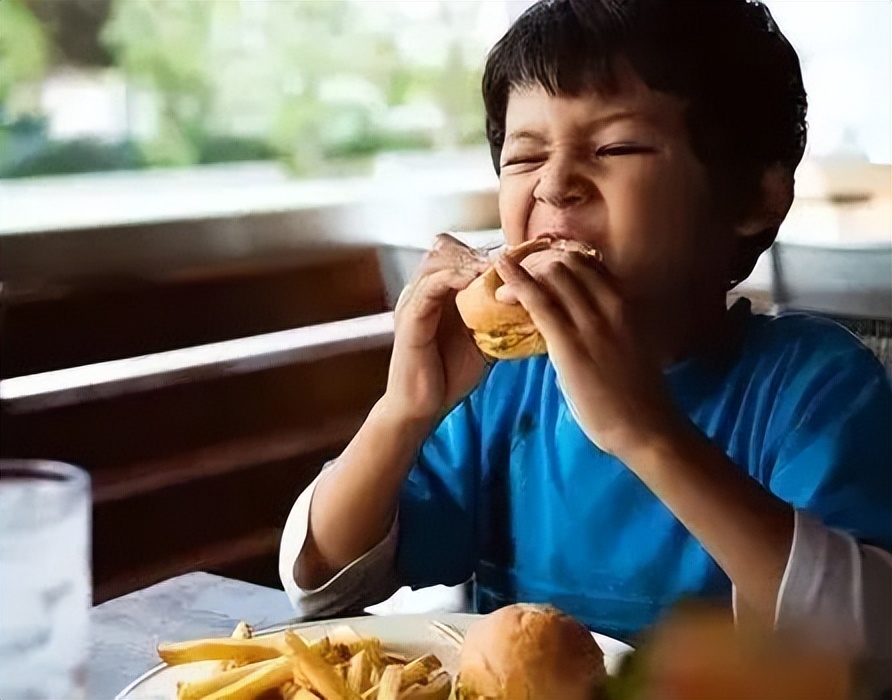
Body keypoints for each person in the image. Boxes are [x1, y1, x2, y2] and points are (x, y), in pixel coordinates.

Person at [279, 0, 892, 655]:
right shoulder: (503, 386)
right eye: (523, 158)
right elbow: (320, 583)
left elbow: (864, 646)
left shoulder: (815, 386)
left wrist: (643, 431)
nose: (556, 184)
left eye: (614, 147)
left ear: (752, 198)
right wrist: (402, 411)